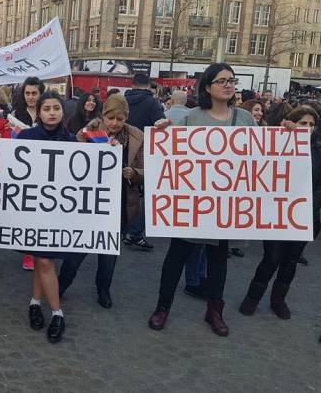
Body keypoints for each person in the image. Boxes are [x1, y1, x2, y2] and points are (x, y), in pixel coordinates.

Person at [148, 63, 257, 337]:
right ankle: (162, 307)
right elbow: (169, 155)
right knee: (176, 258)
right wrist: (161, 132)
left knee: (218, 260)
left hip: (225, 205)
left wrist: (290, 132)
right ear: (208, 87)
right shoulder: (191, 118)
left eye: (231, 80)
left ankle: (214, 311)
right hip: (193, 205)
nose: (228, 85)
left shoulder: (245, 119)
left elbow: (264, 154)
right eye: (221, 81)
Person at [57, 94, 144, 310]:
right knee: (77, 250)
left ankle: (103, 289)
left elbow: (146, 169)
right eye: (111, 118)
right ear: (103, 115)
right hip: (90, 203)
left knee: (109, 254)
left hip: (120, 202)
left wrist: (132, 173)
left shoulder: (137, 137)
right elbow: (71, 163)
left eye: (120, 119)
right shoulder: (87, 133)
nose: (115, 123)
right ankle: (61, 285)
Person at [239, 106, 320, 320]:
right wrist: (284, 132)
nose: (308, 128)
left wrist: (310, 205)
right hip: (277, 212)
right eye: (303, 123)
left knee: (290, 261)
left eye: (312, 125)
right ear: (291, 122)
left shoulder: (318, 150)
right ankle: (252, 298)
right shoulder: (278, 143)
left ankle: (278, 301)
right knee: (272, 258)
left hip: (305, 215)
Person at [14, 91, 76, 343]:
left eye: (56, 108)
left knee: (43, 261)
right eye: (46, 108)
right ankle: (57, 312)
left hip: (57, 213)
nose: (52, 112)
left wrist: (109, 149)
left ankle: (35, 303)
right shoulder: (26, 137)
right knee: (44, 261)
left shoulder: (72, 141)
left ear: (63, 111)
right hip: (32, 211)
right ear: (38, 113)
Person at [123, 74, 164, 251]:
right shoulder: (152, 103)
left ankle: (123, 228)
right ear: (149, 86)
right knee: (146, 192)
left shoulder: (122, 100)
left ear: (132, 85)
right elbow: (160, 126)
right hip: (145, 152)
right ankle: (135, 232)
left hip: (122, 147)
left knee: (125, 190)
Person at [12, 77, 45, 271]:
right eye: (27, 93)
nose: (31, 97)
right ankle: (27, 252)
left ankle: (38, 250)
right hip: (22, 169)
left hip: (43, 169)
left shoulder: (48, 112)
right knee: (26, 211)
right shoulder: (16, 113)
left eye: (34, 93)